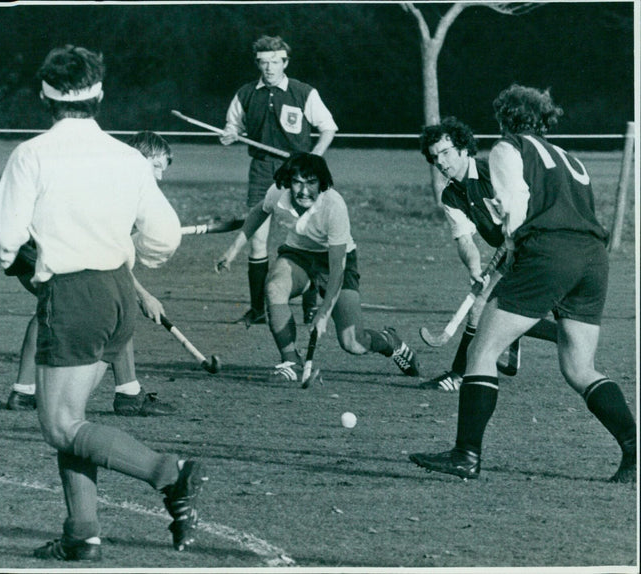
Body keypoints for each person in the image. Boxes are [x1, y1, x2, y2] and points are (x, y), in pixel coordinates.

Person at [0, 45, 208, 560]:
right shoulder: (127, 157)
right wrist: (136, 256)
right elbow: (165, 235)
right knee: (75, 420)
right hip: (117, 292)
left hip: (73, 295)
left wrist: (14, 257)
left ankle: (169, 474)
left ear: (45, 96)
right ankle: (81, 535)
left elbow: (6, 234)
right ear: (99, 94)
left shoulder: (32, 154)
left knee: (61, 425)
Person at [409, 85, 637, 483]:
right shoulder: (568, 156)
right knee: (580, 367)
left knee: (482, 350)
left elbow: (515, 203)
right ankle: (635, 448)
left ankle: (465, 455)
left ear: (504, 117)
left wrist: (514, 247)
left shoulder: (506, 148)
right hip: (593, 258)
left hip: (549, 252)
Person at [5, 130, 176, 417]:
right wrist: (144, 295)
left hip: (44, 242)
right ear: (138, 158)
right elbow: (111, 262)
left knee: (61, 307)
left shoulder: (118, 180)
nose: (159, 177)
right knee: (111, 306)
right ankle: (128, 395)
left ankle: (25, 392)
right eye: (156, 166)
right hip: (34, 243)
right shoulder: (115, 188)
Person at [215, 153, 420, 383]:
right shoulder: (277, 193)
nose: (303, 191)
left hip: (333, 261)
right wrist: (233, 250)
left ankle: (390, 341)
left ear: (321, 183)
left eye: (311, 182)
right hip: (297, 255)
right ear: (288, 181)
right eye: (297, 182)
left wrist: (323, 313)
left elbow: (337, 269)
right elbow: (259, 211)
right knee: (274, 288)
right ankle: (291, 361)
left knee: (353, 343)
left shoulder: (334, 206)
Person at [417, 117, 558, 391]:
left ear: (463, 148)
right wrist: (474, 267)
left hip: (539, 243)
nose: (441, 162)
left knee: (486, 308)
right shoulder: (451, 196)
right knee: (487, 308)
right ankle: (559, 337)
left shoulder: (492, 172)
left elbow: (528, 201)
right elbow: (464, 239)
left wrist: (516, 229)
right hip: (513, 250)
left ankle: (459, 374)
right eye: (435, 157)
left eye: (446, 152)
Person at [220, 35, 338, 328]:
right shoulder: (246, 94)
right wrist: (228, 135)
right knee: (257, 241)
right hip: (262, 171)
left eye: (275, 62)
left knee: (309, 236)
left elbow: (328, 128)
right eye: (263, 62)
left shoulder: (303, 92)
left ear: (285, 62)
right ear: (257, 63)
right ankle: (257, 310)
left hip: (299, 172)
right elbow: (231, 128)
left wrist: (312, 159)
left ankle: (310, 304)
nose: (269, 68)